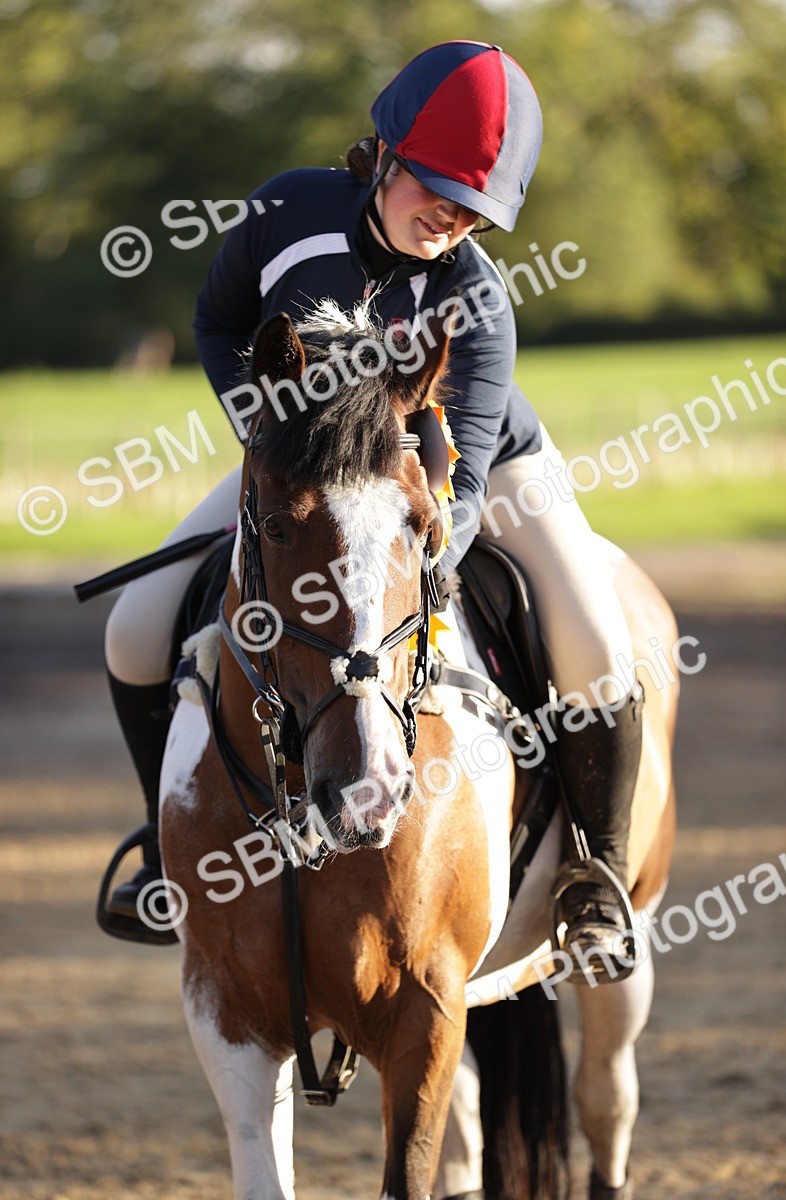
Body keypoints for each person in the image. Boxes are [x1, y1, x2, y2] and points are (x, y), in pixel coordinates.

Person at [104, 40, 643, 978]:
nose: (451, 215)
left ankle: (598, 874)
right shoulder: (287, 209)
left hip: (475, 472)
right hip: (300, 463)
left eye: (476, 207)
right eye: (436, 186)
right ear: (385, 155)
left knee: (597, 641)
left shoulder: (476, 295)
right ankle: (164, 849)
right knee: (135, 629)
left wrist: (402, 545)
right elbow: (221, 321)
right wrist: (268, 439)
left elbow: (462, 483)